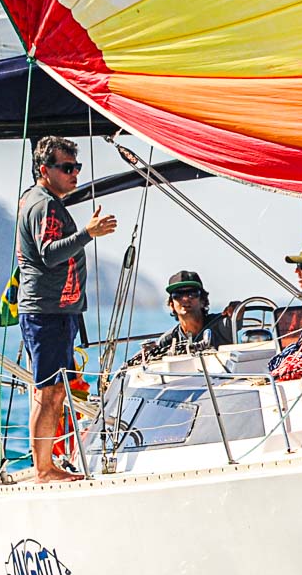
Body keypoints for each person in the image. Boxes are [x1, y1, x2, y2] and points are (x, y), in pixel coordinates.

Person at [16, 136, 116, 483]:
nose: (75, 174)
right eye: (67, 168)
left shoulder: (39, 200)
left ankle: (47, 464)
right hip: (48, 313)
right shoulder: (43, 206)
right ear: (45, 170)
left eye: (77, 167)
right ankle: (44, 469)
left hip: (54, 312)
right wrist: (88, 233)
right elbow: (49, 254)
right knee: (49, 391)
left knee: (55, 389)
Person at [137, 270, 235, 360]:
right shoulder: (167, 341)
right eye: (178, 295)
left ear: (203, 301)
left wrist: (236, 308)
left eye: (192, 293)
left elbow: (237, 317)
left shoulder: (222, 325)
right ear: (172, 305)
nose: (185, 299)